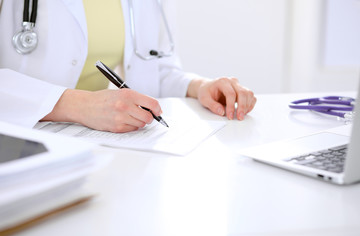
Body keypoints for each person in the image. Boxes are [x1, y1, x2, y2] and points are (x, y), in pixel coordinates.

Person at [0, 0, 256, 133]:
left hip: (96, 142)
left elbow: (156, 66)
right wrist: (76, 105)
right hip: (18, 141)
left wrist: (199, 86)